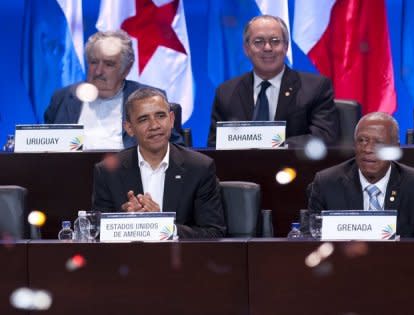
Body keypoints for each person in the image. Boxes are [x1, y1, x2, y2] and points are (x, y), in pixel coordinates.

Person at [92, 87, 226, 238]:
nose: (154, 125)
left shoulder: (200, 168)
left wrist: (163, 225)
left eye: (160, 116)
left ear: (172, 119)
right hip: (128, 258)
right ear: (129, 128)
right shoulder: (108, 171)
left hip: (181, 259)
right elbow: (98, 233)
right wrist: (124, 220)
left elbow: (213, 233)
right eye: (143, 119)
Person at [207, 15, 340, 148]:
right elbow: (215, 145)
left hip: (297, 166)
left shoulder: (315, 87)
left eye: (275, 41)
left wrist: (276, 144)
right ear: (246, 49)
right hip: (241, 167)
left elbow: (324, 137)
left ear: (286, 47)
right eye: (258, 41)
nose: (267, 48)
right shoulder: (226, 92)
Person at [308, 112, 414, 237]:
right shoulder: (327, 183)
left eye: (378, 142)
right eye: (362, 140)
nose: (367, 149)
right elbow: (308, 237)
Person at [44, 30, 183, 149]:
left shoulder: (149, 99)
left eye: (109, 64)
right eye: (93, 62)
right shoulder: (63, 98)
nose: (98, 71)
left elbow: (175, 150)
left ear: (126, 69)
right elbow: (44, 147)